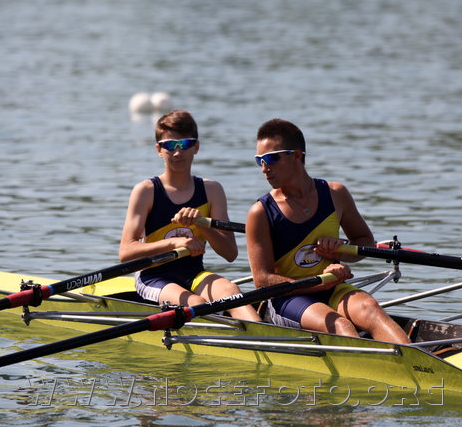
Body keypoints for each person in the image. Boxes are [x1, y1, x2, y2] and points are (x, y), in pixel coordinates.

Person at [246, 118, 410, 343]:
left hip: (332, 288)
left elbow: (364, 243)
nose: (265, 168)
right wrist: (318, 281)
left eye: (271, 158)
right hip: (289, 299)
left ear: (296, 155)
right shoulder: (261, 212)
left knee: (371, 308)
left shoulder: (336, 194)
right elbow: (262, 280)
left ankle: (421, 369)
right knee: (340, 325)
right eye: (259, 161)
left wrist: (340, 253)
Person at [119, 110, 261, 322]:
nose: (177, 153)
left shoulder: (212, 190)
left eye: (184, 144)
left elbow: (230, 254)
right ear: (159, 149)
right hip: (153, 277)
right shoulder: (146, 191)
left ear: (196, 146)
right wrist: (174, 243)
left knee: (231, 292)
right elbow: (126, 252)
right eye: (169, 146)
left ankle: (263, 339)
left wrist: (201, 224)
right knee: (196, 303)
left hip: (193, 274)